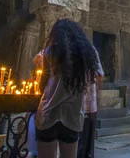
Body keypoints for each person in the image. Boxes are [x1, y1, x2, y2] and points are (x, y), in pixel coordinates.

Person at [35, 19, 100, 158]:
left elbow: (43, 82)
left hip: (49, 113)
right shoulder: (84, 57)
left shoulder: (49, 53)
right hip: (73, 116)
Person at [77, 44, 104, 158]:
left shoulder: (87, 49)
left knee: (81, 142)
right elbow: (99, 74)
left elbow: (99, 75)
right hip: (86, 105)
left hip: (83, 104)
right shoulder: (91, 49)